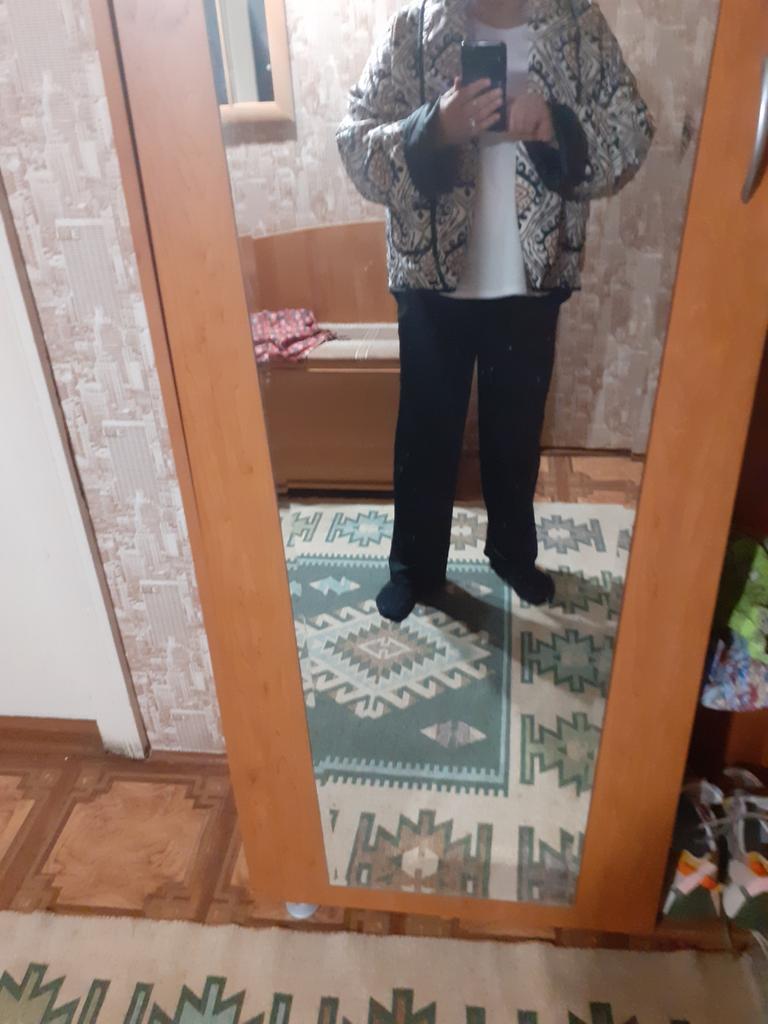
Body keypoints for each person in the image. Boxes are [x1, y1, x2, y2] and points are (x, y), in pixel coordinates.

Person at [337, 0, 654, 623]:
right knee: (425, 435)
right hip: (431, 281)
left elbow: (633, 130)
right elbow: (354, 142)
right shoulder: (415, 26)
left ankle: (512, 553)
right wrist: (433, 127)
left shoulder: (575, 22)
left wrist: (554, 125)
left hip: (531, 279)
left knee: (516, 434)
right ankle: (414, 569)